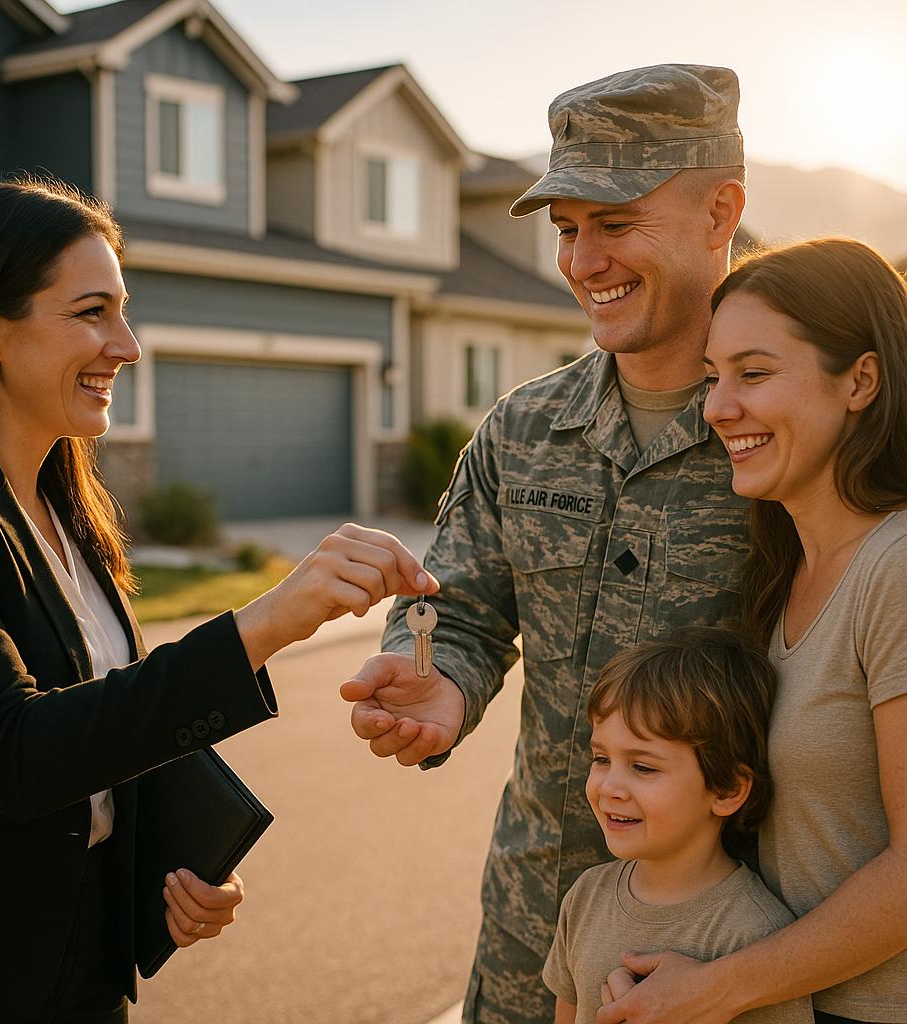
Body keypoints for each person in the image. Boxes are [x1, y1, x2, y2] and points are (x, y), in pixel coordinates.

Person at [0, 177, 438, 1024]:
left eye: (123, 310)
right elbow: (12, 752)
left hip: (87, 978)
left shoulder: (68, 510)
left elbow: (99, 732)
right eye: (91, 312)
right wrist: (262, 626)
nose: (127, 345)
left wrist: (167, 870)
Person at [340, 64, 748, 1021]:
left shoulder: (785, 431)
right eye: (567, 229)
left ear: (721, 210)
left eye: (615, 221)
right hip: (535, 919)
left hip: (726, 940)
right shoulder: (523, 430)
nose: (582, 260)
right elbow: (462, 609)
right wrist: (433, 676)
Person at [597, 240, 907, 1024]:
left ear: (860, 381)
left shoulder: (895, 570)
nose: (718, 408)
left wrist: (717, 986)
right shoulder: (780, 575)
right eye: (713, 377)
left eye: (754, 373)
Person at [543, 627, 813, 1024]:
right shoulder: (584, 898)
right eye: (601, 759)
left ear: (726, 790)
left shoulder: (755, 933)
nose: (610, 787)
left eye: (643, 766)